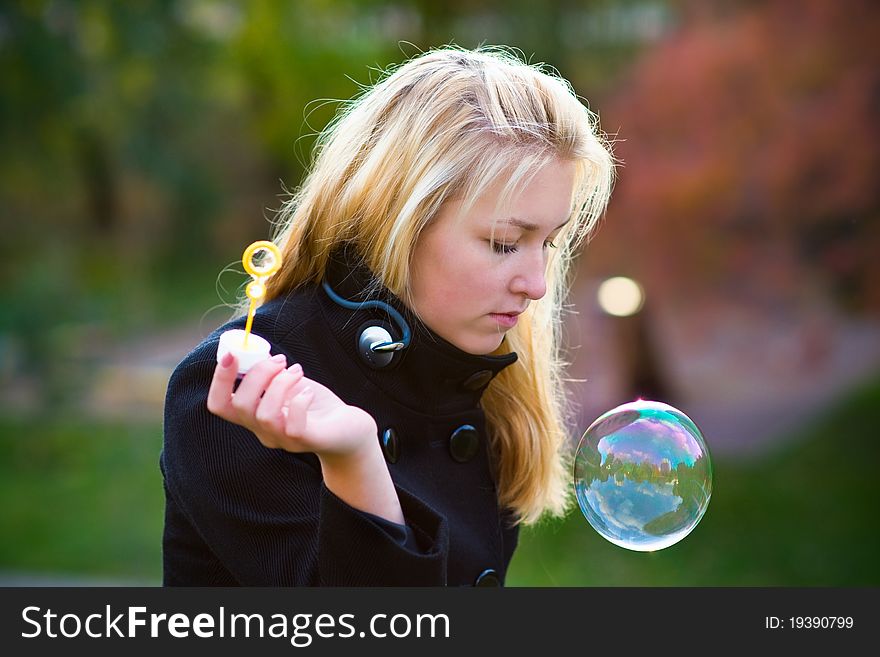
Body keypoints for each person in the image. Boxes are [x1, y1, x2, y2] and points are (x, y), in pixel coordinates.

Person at [161, 46, 615, 586]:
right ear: (397, 219)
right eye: (504, 242)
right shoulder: (241, 392)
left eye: (551, 242)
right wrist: (355, 460)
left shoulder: (480, 383)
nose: (537, 285)